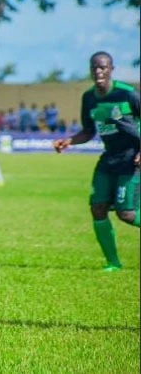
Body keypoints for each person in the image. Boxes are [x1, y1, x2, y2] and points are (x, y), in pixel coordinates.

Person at [53, 51, 140, 272]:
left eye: (103, 67)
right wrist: (69, 141)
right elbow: (89, 131)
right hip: (108, 158)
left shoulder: (128, 94)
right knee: (97, 207)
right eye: (94, 67)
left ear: (111, 69)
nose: (98, 71)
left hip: (131, 159)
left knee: (126, 214)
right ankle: (113, 262)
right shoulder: (89, 98)